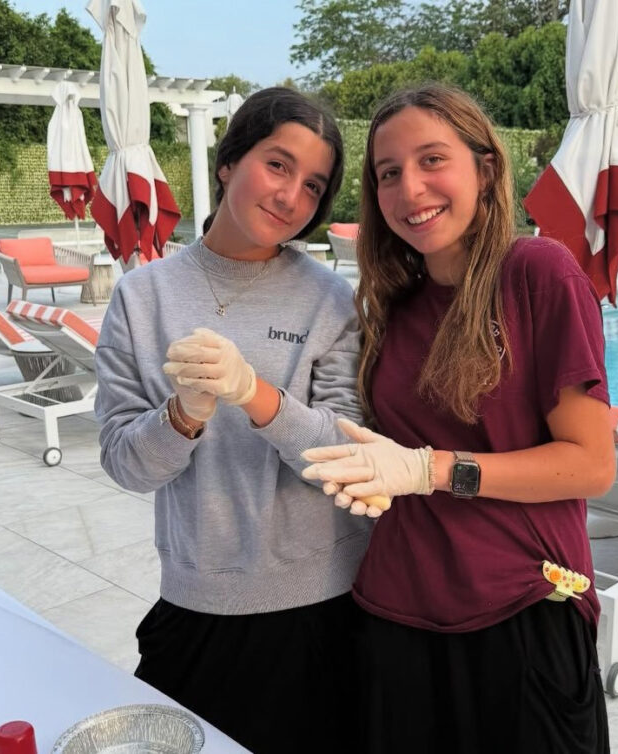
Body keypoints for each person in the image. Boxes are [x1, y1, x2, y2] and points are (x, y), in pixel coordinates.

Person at [301, 84, 615, 753]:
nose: (410, 189)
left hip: (521, 606)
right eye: (388, 173)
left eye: (432, 160)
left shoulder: (537, 273)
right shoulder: (392, 307)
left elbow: (591, 464)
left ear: (486, 168)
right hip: (395, 607)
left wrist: (430, 469)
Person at [94, 87, 370, 754]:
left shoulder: (331, 300)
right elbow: (125, 464)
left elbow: (348, 455)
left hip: (324, 603)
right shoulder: (141, 297)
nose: (291, 197)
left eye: (313, 186)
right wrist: (181, 417)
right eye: (277, 165)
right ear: (228, 162)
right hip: (197, 600)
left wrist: (256, 395)